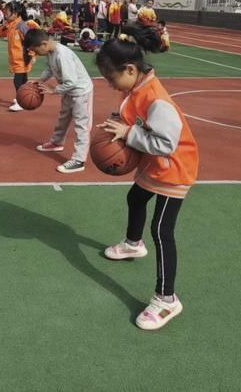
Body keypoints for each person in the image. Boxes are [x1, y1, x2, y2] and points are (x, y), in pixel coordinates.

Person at [96, 26, 199, 330]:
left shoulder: (157, 100)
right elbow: (135, 121)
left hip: (175, 168)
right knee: (135, 197)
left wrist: (128, 133)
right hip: (156, 165)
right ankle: (132, 243)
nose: (110, 84)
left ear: (130, 69)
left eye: (111, 78)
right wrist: (119, 123)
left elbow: (166, 143)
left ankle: (167, 299)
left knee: (161, 229)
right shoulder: (136, 89)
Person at [23, 29, 94, 173]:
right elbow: (50, 70)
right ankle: (57, 142)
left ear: (43, 44)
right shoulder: (50, 52)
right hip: (69, 90)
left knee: (82, 126)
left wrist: (53, 90)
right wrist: (39, 81)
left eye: (35, 50)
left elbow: (72, 81)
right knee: (63, 118)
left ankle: (79, 160)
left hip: (81, 92)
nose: (35, 53)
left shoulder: (62, 55)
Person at [0, 1, 38, 111]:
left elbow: (31, 41)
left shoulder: (21, 26)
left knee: (18, 81)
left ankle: (21, 102)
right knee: (23, 80)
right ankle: (24, 98)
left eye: (7, 11)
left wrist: (33, 55)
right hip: (15, 59)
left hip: (23, 58)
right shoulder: (10, 24)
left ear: (15, 13)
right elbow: (0, 31)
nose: (5, 13)